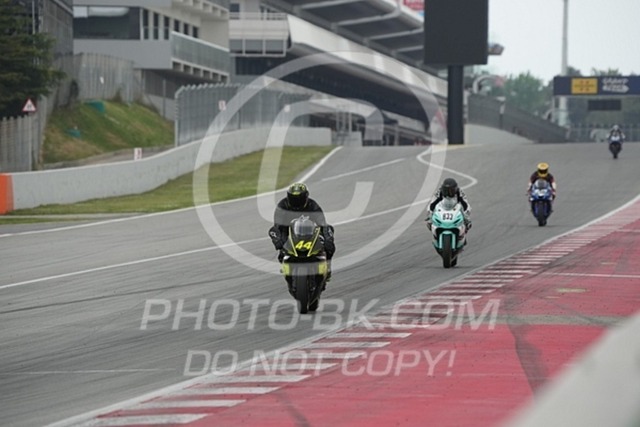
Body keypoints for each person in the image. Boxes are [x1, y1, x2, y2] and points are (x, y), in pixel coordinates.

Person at [268, 182, 335, 282]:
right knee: (281, 253)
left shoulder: (313, 205)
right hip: (289, 233)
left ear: (306, 197)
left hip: (310, 233)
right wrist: (277, 241)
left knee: (329, 245)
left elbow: (323, 224)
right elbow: (276, 228)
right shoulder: (282, 206)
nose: (297, 201)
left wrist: (328, 239)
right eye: (294, 198)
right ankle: (288, 270)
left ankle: (327, 266)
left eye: (299, 198)